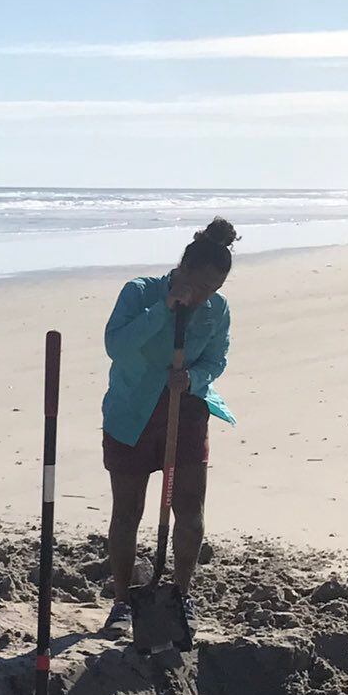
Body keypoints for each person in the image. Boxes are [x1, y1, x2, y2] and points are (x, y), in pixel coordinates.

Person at [101, 217, 238, 634]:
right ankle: (123, 600)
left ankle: (181, 595)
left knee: (190, 511)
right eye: (198, 287)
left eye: (213, 290)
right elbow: (116, 345)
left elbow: (216, 360)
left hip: (187, 409)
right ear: (184, 269)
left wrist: (193, 379)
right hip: (132, 413)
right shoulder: (140, 293)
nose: (204, 297)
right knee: (128, 512)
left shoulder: (217, 310)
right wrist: (164, 312)